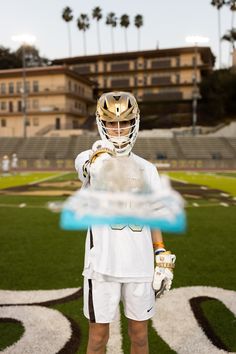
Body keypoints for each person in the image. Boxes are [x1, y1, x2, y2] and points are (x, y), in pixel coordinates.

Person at [75, 92, 176, 354]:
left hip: (139, 265)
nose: (118, 130)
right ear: (101, 124)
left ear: (135, 123)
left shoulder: (147, 169)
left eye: (124, 123)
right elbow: (90, 166)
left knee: (140, 336)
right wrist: (101, 155)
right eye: (111, 123)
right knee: (98, 338)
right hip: (102, 266)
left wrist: (160, 252)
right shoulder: (90, 157)